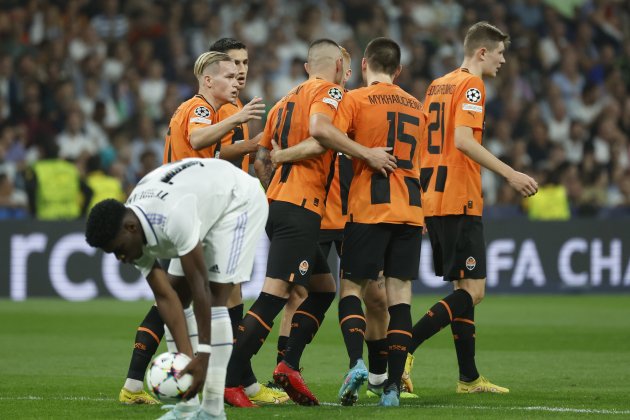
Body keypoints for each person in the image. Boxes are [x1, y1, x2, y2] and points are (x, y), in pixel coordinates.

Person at [227, 38, 396, 406]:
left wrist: (278, 180)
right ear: (339, 67)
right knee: (275, 294)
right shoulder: (332, 93)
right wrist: (366, 152)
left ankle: (288, 365)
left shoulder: (283, 102)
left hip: (278, 204)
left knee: (320, 289)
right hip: (301, 208)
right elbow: (320, 135)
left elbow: (261, 158)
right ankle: (229, 378)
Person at [273, 37, 426, 407]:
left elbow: (324, 136)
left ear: (357, 66)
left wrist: (280, 156)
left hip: (359, 210)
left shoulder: (352, 101)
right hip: (331, 209)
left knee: (371, 295)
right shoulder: (336, 101)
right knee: (299, 293)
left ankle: (373, 373)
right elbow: (319, 137)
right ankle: (285, 370)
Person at [117, 48, 270, 407]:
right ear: (208, 80)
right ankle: (217, 387)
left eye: (239, 75)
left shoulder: (198, 110)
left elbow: (205, 155)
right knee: (205, 295)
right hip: (186, 212)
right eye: (230, 76)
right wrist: (239, 120)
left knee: (176, 296)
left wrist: (250, 144)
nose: (237, 82)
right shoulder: (201, 108)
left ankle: (141, 384)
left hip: (186, 207)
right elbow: (200, 140)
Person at [408, 21, 538, 394]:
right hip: (459, 196)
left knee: (463, 285)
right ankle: (402, 349)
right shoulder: (472, 86)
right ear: (482, 52)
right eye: (500, 53)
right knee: (475, 290)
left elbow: (422, 144)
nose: (503, 61)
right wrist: (510, 173)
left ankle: (468, 378)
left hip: (434, 194)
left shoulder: (437, 85)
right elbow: (464, 141)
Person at [85, 158, 268, 420]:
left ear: (131, 228)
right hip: (202, 202)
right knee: (178, 296)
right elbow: (165, 296)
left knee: (218, 295)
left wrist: (203, 355)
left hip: (238, 202)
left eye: (118, 250)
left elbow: (201, 286)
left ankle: (213, 410)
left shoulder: (172, 217)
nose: (121, 258)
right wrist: (184, 360)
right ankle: (188, 405)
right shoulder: (132, 228)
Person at [24, 139, 92, 220]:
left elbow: (30, 191)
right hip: (71, 218)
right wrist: (81, 215)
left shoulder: (36, 169)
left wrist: (33, 213)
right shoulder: (70, 168)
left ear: (42, 151)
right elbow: (88, 191)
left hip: (46, 219)